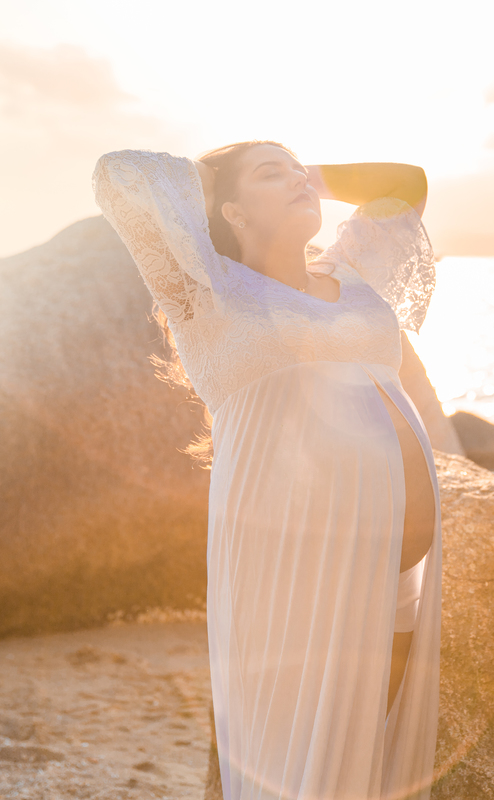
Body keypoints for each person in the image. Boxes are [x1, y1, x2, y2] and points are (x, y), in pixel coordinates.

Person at [92, 141, 441, 800]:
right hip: (289, 562)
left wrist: (303, 177)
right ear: (228, 209)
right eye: (268, 174)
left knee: (371, 757)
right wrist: (226, 179)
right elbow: (119, 176)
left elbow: (407, 182)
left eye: (295, 167)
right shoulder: (210, 295)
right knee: (291, 755)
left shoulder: (355, 273)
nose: (294, 179)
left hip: (397, 567)